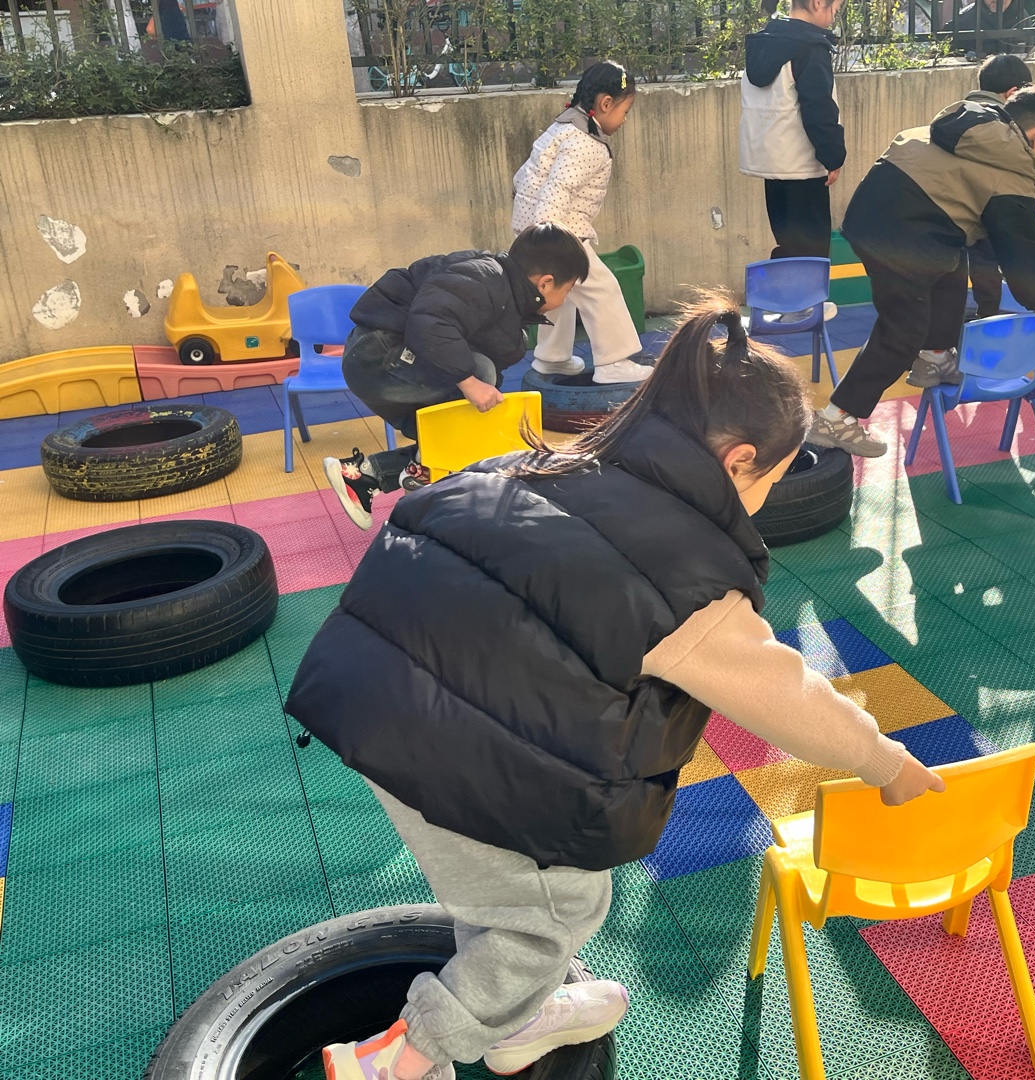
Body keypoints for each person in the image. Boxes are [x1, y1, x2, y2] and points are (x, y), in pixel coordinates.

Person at [288, 295, 946, 1080]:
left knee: (505, 888)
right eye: (773, 478)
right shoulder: (684, 575)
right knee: (554, 911)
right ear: (740, 461)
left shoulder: (549, 462)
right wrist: (888, 765)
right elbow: (788, 697)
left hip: (366, 694)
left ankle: (514, 1023)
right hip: (444, 744)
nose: (768, 494)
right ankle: (401, 1059)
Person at [808, 85, 1035, 458]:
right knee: (903, 329)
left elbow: (980, 229)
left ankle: (934, 357)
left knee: (952, 268)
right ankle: (835, 418)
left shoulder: (972, 128)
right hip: (903, 236)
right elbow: (1019, 244)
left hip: (880, 218)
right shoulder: (1010, 168)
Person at [321, 223, 590, 530]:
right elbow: (431, 322)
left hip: (394, 359)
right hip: (378, 355)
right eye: (568, 290)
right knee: (479, 375)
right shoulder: (485, 278)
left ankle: (364, 476)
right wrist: (468, 382)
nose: (566, 299)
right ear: (546, 283)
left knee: (470, 423)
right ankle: (419, 473)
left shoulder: (508, 302)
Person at [513, 61, 653, 385]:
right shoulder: (585, 144)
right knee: (601, 289)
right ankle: (614, 362)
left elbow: (524, 177)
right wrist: (547, 239)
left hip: (534, 227)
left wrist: (532, 233)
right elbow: (557, 190)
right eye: (625, 111)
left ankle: (551, 357)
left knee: (558, 292)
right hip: (558, 232)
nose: (625, 119)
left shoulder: (562, 127)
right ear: (606, 103)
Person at [739, 0, 846, 261]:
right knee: (812, 255)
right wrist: (833, 156)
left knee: (788, 248)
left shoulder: (766, 42)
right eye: (835, 10)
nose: (834, 18)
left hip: (771, 165)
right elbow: (818, 107)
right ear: (818, 3)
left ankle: (783, 288)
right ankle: (803, 290)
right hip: (802, 167)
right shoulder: (810, 48)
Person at [966, 54, 1034, 321]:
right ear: (1013, 93)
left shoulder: (960, 112)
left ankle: (983, 314)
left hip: (959, 211)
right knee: (993, 263)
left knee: (975, 266)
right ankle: (992, 316)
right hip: (991, 207)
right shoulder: (1005, 125)